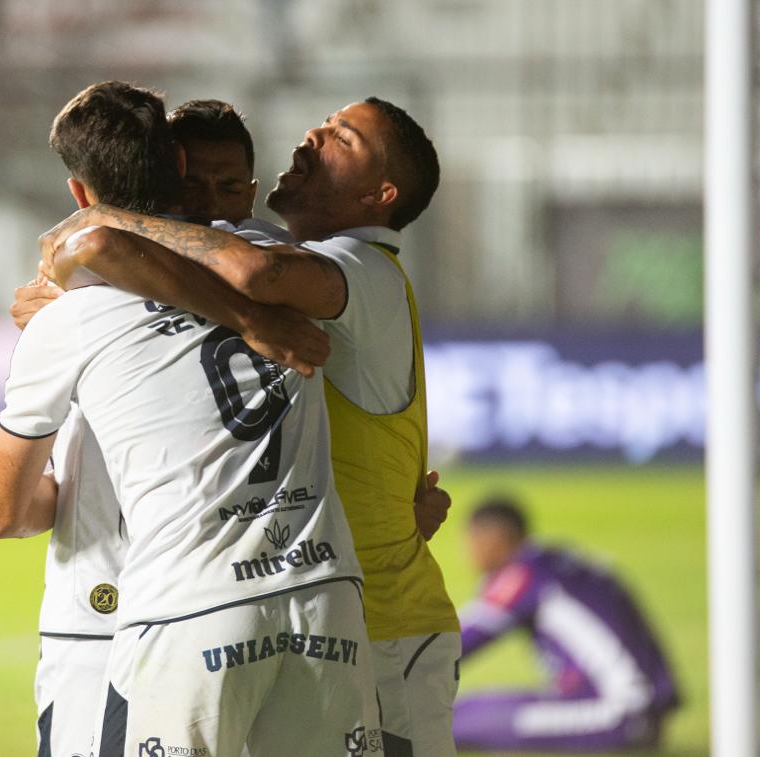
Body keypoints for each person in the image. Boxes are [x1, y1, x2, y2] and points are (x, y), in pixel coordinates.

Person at [40, 96, 461, 756]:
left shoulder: (357, 268)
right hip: (317, 605)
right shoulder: (300, 268)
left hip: (383, 624)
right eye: (321, 124)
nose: (313, 136)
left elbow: (252, 271)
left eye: (341, 138)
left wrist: (107, 228)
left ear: (381, 193)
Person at [0, 82, 380, 756]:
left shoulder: (69, 313)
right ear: (183, 173)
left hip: (156, 603)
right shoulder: (280, 267)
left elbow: (3, 513)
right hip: (321, 593)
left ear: (81, 196)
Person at [454, 498, 681, 753]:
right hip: (638, 709)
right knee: (472, 710)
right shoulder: (559, 562)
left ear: (495, 538)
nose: (468, 551)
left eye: (471, 540)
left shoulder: (523, 574)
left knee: (449, 721)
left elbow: (452, 643)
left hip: (617, 713)